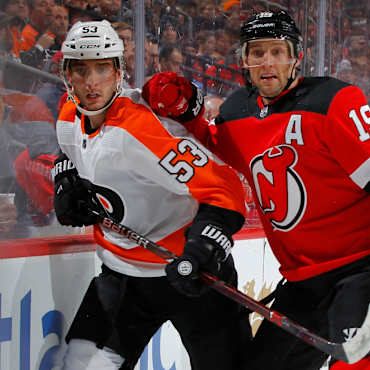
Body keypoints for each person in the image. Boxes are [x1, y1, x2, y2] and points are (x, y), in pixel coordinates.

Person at [142, 10, 370, 370]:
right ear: (244, 60)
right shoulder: (235, 115)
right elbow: (210, 150)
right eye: (257, 52)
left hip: (369, 269)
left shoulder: (333, 101)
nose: (267, 62)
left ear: (296, 56)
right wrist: (186, 115)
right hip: (304, 282)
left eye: (277, 51)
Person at [54, 20, 250, 369]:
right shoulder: (67, 116)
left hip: (190, 277)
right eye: (81, 70)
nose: (91, 81)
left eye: (102, 68)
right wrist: (65, 181)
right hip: (121, 276)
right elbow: (69, 154)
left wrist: (207, 242)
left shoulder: (145, 130)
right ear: (66, 73)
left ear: (119, 72)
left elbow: (226, 187)